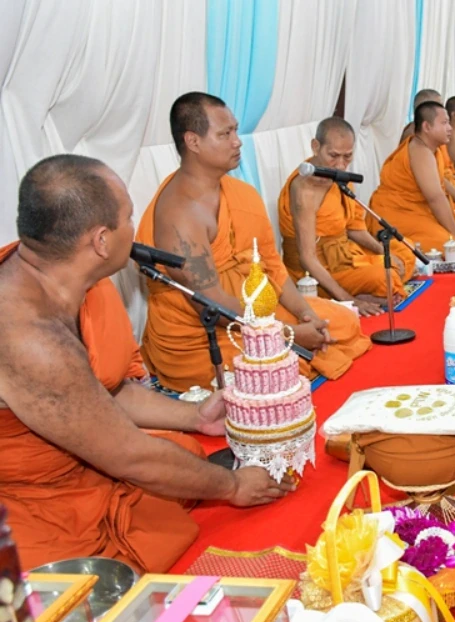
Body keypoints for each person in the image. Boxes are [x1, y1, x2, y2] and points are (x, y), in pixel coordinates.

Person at [0, 155, 293, 572]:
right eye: (128, 217)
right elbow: (128, 455)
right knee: (101, 578)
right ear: (102, 241)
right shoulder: (30, 337)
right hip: (33, 496)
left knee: (184, 453)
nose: (135, 228)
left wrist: (194, 416)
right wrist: (232, 486)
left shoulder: (71, 278)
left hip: (88, 451)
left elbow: (104, 389)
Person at [138, 92, 372, 393]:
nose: (237, 142)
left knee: (342, 322)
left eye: (235, 131)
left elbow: (272, 265)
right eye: (225, 134)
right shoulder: (179, 213)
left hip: (258, 309)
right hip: (205, 333)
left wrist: (305, 314)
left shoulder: (241, 193)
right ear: (193, 141)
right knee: (281, 367)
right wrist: (288, 334)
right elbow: (212, 304)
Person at [278, 117, 414, 316]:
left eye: (348, 157)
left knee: (404, 252)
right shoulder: (304, 190)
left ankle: (364, 292)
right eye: (333, 156)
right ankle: (345, 295)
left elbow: (354, 229)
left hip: (345, 257)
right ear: (316, 147)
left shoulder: (340, 178)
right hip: (316, 271)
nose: (341, 165)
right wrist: (351, 301)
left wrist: (383, 253)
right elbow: (307, 258)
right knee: (385, 277)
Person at [370, 100, 455, 256]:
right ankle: (394, 246)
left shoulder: (432, 150)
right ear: (427, 127)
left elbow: (439, 189)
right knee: (452, 246)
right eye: (444, 123)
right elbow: (435, 197)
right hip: (397, 213)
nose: (450, 128)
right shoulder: (420, 151)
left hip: (417, 209)